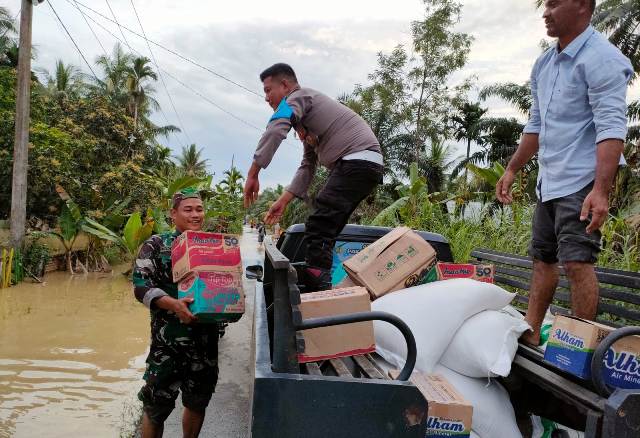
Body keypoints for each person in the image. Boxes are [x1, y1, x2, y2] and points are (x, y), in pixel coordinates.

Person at [495, 0, 633, 345]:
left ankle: (575, 346)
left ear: (583, 7)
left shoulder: (603, 59)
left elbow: (611, 128)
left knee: (577, 263)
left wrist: (601, 190)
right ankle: (529, 334)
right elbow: (537, 123)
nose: (546, 11)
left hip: (582, 181)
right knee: (543, 261)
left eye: (555, 3)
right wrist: (512, 168)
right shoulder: (544, 63)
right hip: (549, 182)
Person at [243, 63, 384, 291]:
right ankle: (320, 280)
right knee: (326, 230)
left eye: (268, 90)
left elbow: (276, 128)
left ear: (285, 85)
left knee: (318, 224)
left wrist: (253, 173)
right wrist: (283, 200)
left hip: (356, 161)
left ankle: (318, 288)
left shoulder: (299, 97)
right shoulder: (306, 123)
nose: (266, 98)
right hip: (364, 166)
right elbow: (308, 165)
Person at [133, 188, 219, 438]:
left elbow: (226, 281)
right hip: (167, 345)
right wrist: (173, 304)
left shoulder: (213, 246)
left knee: (197, 403)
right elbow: (140, 286)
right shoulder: (156, 245)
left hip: (205, 344)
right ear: (173, 214)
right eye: (188, 209)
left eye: (199, 209)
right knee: (155, 408)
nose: (195, 215)